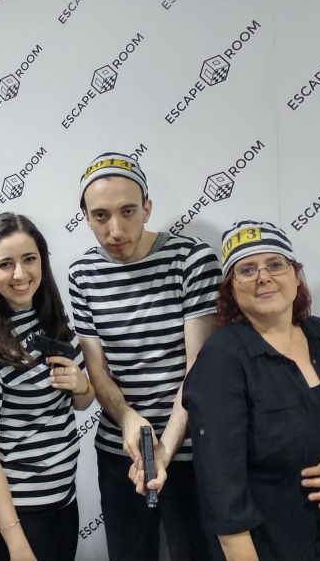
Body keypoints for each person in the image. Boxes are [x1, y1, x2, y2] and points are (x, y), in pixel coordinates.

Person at [184, 221, 320, 561]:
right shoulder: (222, 359)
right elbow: (221, 491)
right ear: (230, 288)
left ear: (295, 275)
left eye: (275, 264)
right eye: (247, 270)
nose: (264, 277)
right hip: (266, 549)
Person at [67, 153, 222, 561]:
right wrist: (127, 419)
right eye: (101, 216)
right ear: (86, 217)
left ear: (147, 208)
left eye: (128, 211)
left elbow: (199, 370)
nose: (115, 230)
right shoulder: (82, 274)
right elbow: (96, 369)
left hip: (190, 450)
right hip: (121, 450)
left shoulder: (193, 259)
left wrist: (165, 449)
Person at [0, 213, 95, 561]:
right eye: (6, 264)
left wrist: (81, 385)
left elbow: (81, 403)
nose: (20, 274)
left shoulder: (53, 322)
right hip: (13, 517)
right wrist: (16, 544)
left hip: (62, 501)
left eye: (29, 259)